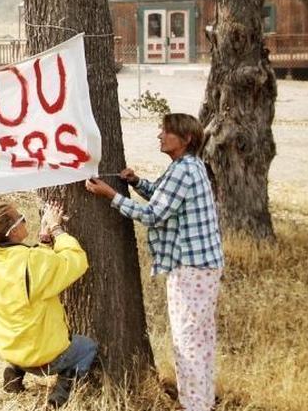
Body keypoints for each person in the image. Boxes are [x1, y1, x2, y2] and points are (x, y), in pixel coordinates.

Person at [85, 113, 224, 411]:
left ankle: (196, 405)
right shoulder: (187, 166)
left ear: (185, 139)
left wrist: (110, 195)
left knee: (189, 339)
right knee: (199, 336)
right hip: (201, 265)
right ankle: (200, 400)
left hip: (193, 268)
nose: (159, 136)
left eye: (166, 132)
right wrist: (136, 183)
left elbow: (154, 215)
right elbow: (164, 199)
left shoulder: (183, 171)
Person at [0, 202, 98, 408]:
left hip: (10, 348)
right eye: (22, 218)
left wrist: (44, 236)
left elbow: (36, 269)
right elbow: (76, 260)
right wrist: (57, 229)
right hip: (44, 359)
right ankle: (58, 397)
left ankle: (13, 378)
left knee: (21, 330)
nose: (25, 220)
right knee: (87, 347)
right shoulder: (32, 261)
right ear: (14, 231)